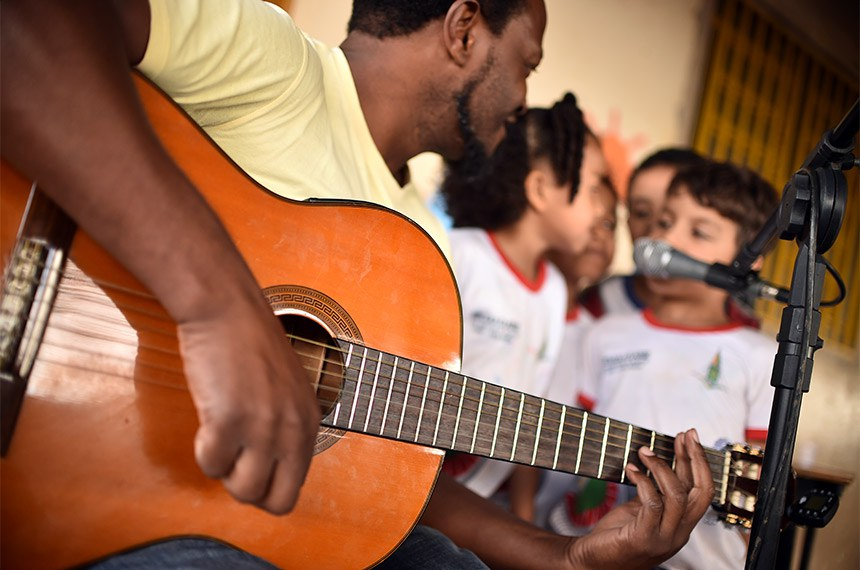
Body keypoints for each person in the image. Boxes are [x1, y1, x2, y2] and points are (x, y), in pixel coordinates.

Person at [1, 1, 714, 568]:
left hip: (209, 510)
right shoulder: (274, 61)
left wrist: (566, 558)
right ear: (464, 30)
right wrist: (219, 306)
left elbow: (384, 483)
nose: (524, 100)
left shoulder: (418, 248)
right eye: (525, 64)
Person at [572, 160, 779, 569]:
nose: (667, 238)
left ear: (748, 260)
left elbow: (759, 494)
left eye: (698, 232)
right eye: (665, 222)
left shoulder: (761, 357)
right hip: (594, 552)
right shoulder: (604, 334)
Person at [437, 93, 604, 506]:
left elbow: (530, 414)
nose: (602, 212)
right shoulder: (460, 255)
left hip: (475, 503)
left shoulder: (551, 291)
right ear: (541, 189)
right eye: (594, 188)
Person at [578, 147, 707, 318]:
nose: (656, 230)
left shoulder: (736, 325)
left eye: (669, 217)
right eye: (642, 213)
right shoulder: (595, 304)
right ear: (627, 222)